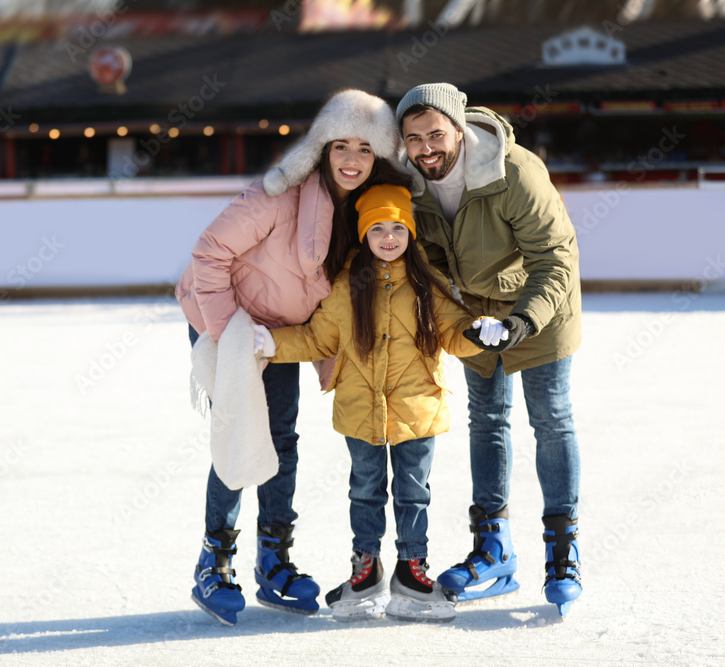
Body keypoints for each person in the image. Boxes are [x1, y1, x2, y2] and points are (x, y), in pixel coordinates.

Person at [176, 89, 413, 626]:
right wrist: (227, 339)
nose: (352, 160)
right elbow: (208, 253)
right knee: (241, 426)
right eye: (341, 147)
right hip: (225, 315)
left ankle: (274, 558)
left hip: (280, 329)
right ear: (321, 150)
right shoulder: (277, 197)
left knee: (282, 435)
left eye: (365, 149)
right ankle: (214, 560)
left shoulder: (366, 214)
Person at [250, 184, 509, 623]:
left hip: (418, 408)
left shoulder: (428, 282)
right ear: (364, 235)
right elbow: (318, 338)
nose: (388, 238)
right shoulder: (348, 283)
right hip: (360, 410)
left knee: (414, 493)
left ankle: (412, 570)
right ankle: (365, 568)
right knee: (365, 491)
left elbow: (452, 331)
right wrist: (272, 342)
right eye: (377, 230)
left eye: (397, 228)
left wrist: (475, 332)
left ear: (409, 230)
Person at [395, 83, 583, 616]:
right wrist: (459, 313)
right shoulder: (413, 184)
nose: (426, 147)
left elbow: (555, 255)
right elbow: (425, 256)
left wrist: (525, 319)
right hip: (475, 313)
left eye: (435, 134)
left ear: (459, 128)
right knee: (487, 419)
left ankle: (563, 547)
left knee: (551, 418)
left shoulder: (514, 171)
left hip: (539, 305)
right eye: (414, 138)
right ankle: (493, 547)